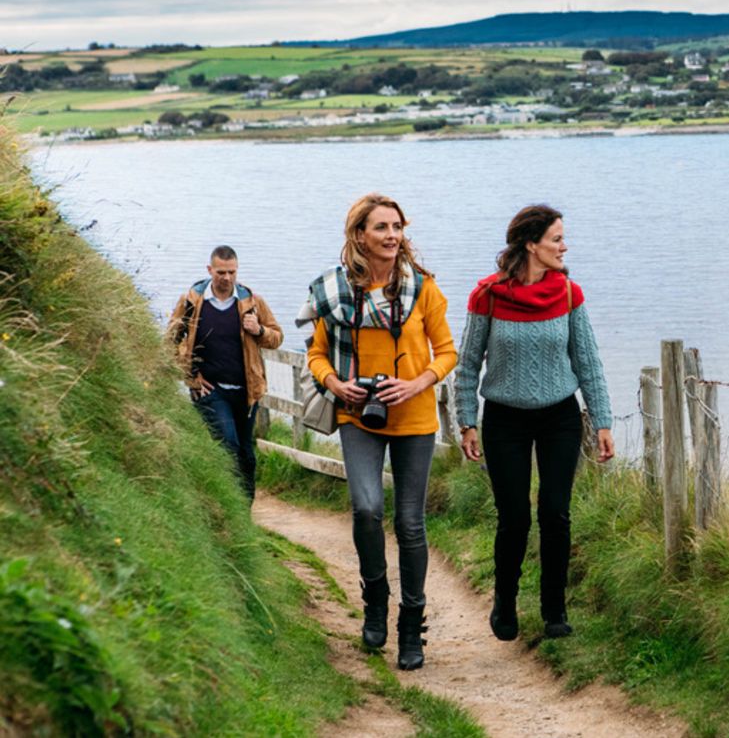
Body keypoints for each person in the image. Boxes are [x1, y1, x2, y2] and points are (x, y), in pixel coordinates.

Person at [299, 194, 456, 670]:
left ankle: (412, 627)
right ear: (359, 235)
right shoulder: (334, 291)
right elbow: (316, 354)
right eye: (382, 227)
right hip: (356, 413)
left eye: (397, 226)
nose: (392, 236)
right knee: (366, 509)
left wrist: (415, 383)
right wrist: (334, 383)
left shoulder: (422, 287)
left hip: (414, 416)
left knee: (410, 523)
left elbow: (447, 352)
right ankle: (374, 600)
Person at [455, 204, 614, 642]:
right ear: (531, 244)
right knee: (514, 518)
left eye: (563, 238)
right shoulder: (486, 295)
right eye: (557, 239)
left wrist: (602, 420)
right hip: (504, 419)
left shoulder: (568, 294)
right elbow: (467, 364)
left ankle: (553, 610)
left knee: (556, 513)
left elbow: (588, 361)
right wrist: (466, 420)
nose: (565, 246)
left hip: (559, 416)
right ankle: (504, 602)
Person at [168, 245, 282, 505]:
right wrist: (189, 377)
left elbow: (276, 337)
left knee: (246, 455)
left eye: (232, 272)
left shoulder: (252, 302)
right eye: (221, 272)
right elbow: (170, 341)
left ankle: (243, 516)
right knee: (228, 446)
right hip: (210, 391)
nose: (227, 278)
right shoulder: (192, 301)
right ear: (210, 270)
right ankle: (225, 505)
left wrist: (259, 330)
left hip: (246, 392)